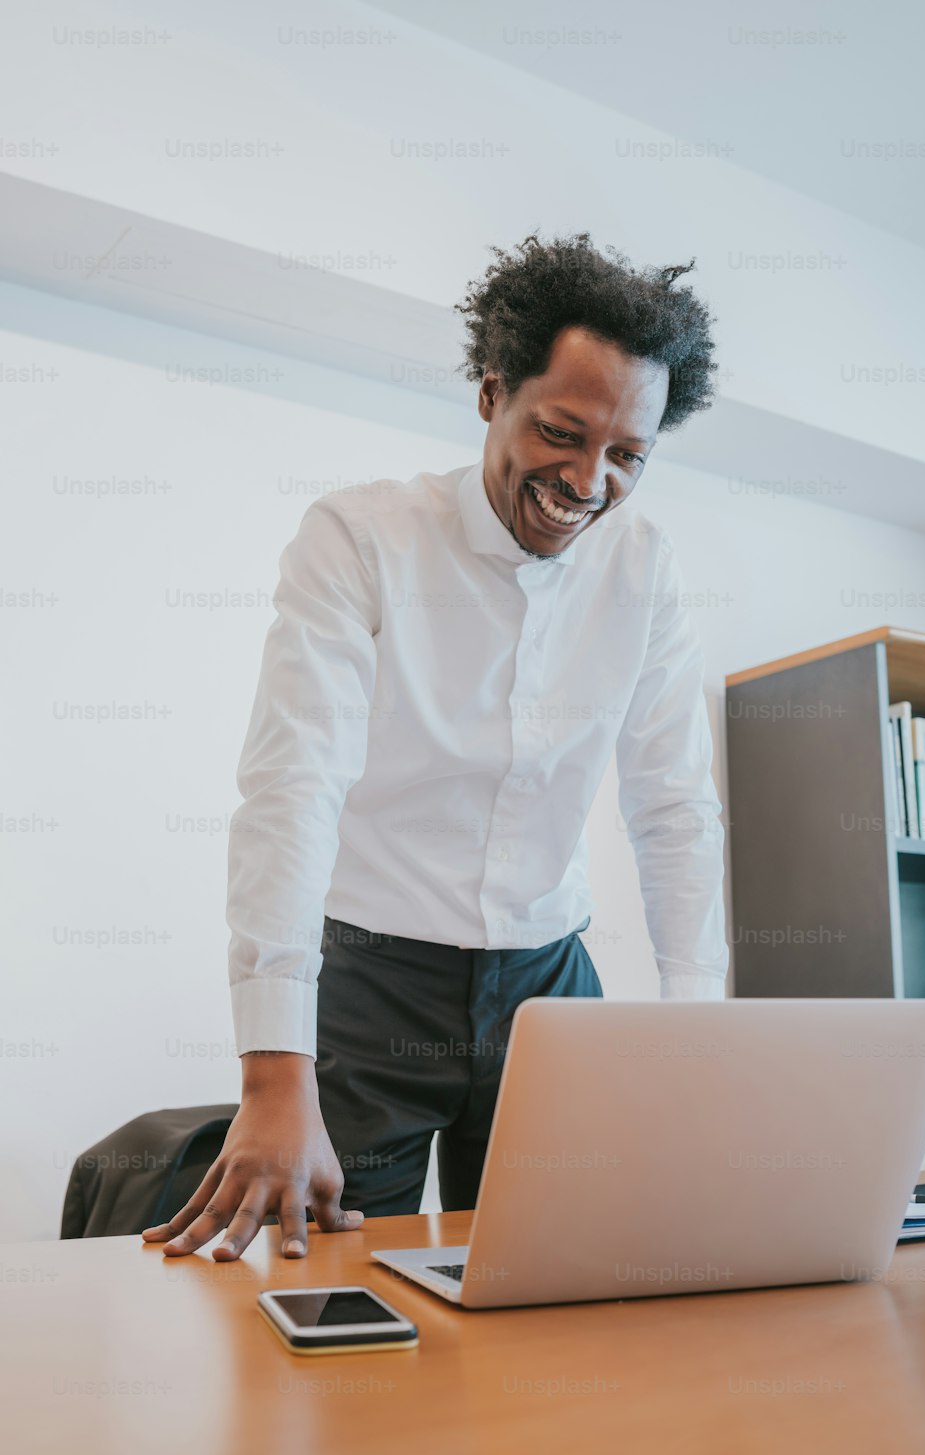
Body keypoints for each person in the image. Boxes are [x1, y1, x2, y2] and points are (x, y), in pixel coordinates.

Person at [142, 230, 729, 1263]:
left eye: (627, 454)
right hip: (371, 978)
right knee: (330, 1288)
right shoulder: (361, 538)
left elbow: (672, 802)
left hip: (548, 984)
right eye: (561, 430)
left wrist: (696, 1034)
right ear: (492, 391)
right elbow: (294, 784)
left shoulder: (645, 567)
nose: (589, 480)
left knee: (556, 1279)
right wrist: (274, 1075)